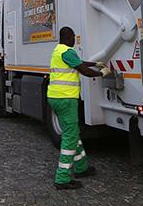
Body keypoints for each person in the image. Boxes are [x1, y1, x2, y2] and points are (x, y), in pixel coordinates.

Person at [47, 26, 111, 190]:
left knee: (72, 132)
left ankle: (81, 168)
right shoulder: (68, 51)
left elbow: (80, 63)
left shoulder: (58, 50)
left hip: (55, 97)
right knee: (70, 137)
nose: (74, 39)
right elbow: (84, 71)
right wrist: (102, 73)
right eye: (73, 36)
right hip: (66, 98)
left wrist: (96, 63)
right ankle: (62, 179)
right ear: (68, 37)